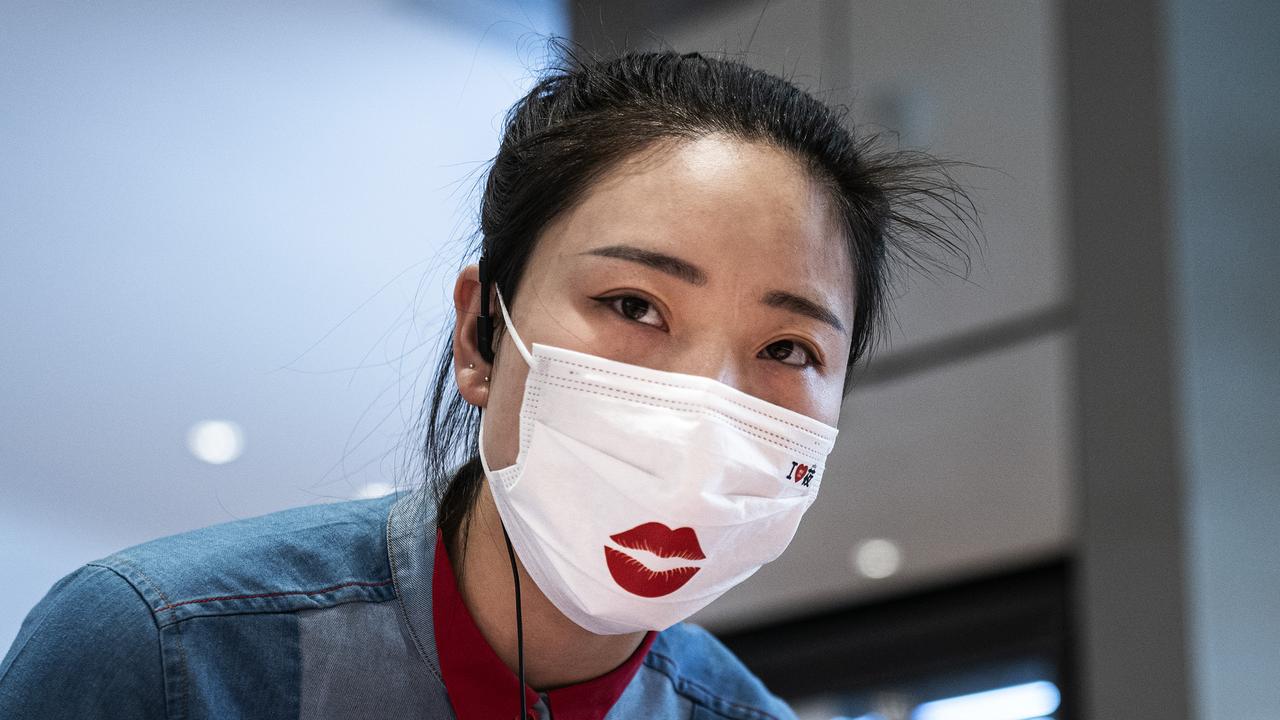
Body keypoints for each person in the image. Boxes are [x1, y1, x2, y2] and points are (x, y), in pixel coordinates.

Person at [0, 41, 973, 719]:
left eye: (788, 350)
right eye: (634, 305)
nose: (698, 408)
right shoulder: (166, 656)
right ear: (480, 332)